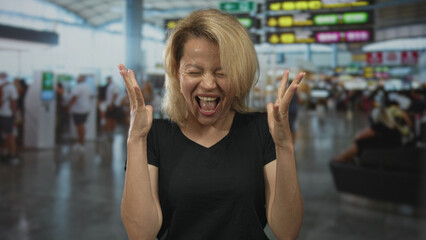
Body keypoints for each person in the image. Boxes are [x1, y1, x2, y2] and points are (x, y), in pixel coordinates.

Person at [119, 9, 304, 240]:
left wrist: (284, 145)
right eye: (194, 71)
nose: (208, 84)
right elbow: (140, 234)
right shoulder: (153, 136)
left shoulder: (261, 130)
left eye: (222, 72)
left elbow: (288, 231)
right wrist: (135, 140)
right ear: (177, 72)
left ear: (240, 75)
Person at [332, 100, 412, 163]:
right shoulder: (396, 125)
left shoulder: (382, 125)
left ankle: (343, 157)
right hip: (396, 148)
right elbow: (410, 126)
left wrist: (356, 139)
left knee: (360, 143)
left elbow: (362, 135)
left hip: (386, 150)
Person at [67, 75, 93, 151]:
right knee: (81, 125)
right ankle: (80, 142)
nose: (77, 78)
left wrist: (69, 106)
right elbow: (90, 96)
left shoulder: (78, 87)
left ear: (81, 79)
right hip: (85, 108)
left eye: (78, 77)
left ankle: (81, 143)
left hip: (79, 109)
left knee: (80, 126)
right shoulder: (87, 86)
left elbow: (74, 97)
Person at [0, 72, 19, 165]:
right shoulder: (10, 86)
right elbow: (13, 102)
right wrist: (15, 114)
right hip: (6, 114)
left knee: (2, 135)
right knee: (10, 135)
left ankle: (2, 154)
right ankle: (12, 156)